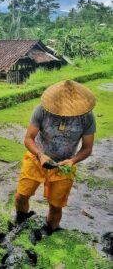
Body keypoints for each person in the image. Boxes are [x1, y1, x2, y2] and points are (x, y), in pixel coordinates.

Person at [15, 80, 96, 241]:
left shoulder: (87, 118)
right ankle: (20, 220)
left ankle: (50, 229)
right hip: (36, 159)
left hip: (64, 165)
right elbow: (29, 138)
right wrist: (40, 154)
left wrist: (73, 161)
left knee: (55, 205)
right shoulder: (42, 111)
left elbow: (87, 148)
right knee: (21, 196)